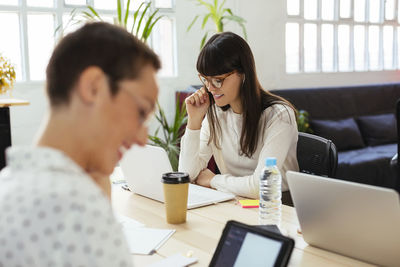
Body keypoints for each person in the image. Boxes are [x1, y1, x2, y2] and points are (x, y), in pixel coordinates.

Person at [0, 22, 160, 266]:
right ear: (94, 87)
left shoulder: (9, 184)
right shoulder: (77, 213)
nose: (142, 138)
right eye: (141, 111)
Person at [179, 32, 299, 199]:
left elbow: (262, 186)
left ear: (243, 73)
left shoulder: (278, 115)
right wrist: (193, 122)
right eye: (205, 79)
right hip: (236, 201)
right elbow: (187, 175)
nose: (210, 87)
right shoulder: (215, 113)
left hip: (278, 205)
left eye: (218, 80)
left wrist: (213, 180)